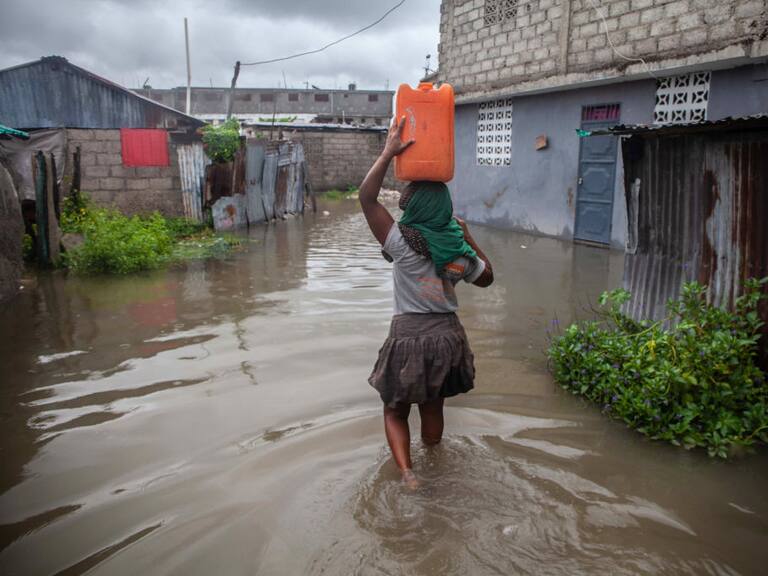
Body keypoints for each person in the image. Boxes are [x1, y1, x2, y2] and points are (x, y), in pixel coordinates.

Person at [359, 116, 494, 487]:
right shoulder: (459, 254)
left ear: (414, 209)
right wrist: (469, 238)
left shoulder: (402, 244)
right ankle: (434, 460)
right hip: (447, 336)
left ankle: (407, 474)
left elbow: (366, 198)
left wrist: (388, 152)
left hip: (409, 335)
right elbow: (487, 278)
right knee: (433, 405)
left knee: (394, 410)